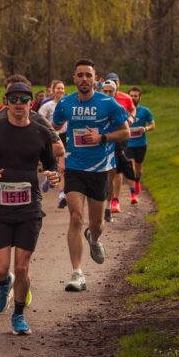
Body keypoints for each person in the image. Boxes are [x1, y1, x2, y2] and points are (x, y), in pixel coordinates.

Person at [0, 81, 59, 335]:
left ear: (31, 104)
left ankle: (18, 315)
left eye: (24, 100)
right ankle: (3, 282)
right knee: (1, 269)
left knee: (22, 267)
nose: (18, 104)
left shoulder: (41, 132)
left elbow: (52, 164)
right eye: (14, 99)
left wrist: (55, 176)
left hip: (30, 207)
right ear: (6, 102)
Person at [52, 60, 129, 292]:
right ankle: (77, 273)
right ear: (74, 79)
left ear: (95, 79)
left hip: (100, 169)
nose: (84, 79)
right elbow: (54, 128)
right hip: (74, 168)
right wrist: (55, 151)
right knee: (75, 217)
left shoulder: (108, 103)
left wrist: (103, 138)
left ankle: (93, 239)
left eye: (88, 75)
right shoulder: (65, 103)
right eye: (80, 75)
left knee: (96, 223)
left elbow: (124, 131)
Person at [101, 74, 135, 220]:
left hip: (114, 144)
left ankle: (108, 207)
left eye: (111, 92)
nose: (108, 94)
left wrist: (129, 119)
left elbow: (125, 131)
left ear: (115, 93)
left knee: (111, 176)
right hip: (98, 144)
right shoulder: (96, 106)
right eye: (105, 91)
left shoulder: (120, 107)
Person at [38, 80, 68, 209]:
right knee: (53, 163)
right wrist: (50, 129)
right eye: (58, 88)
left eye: (62, 88)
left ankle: (61, 195)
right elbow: (38, 120)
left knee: (62, 167)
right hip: (51, 137)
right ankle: (49, 177)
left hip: (65, 137)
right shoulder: (47, 105)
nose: (60, 91)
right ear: (53, 90)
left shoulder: (68, 104)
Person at [126, 87, 154, 205]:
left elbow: (153, 124)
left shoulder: (145, 111)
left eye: (135, 96)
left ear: (139, 98)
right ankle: (133, 194)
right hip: (127, 144)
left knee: (138, 169)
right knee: (130, 167)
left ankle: (137, 180)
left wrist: (145, 128)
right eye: (131, 95)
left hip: (141, 144)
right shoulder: (124, 111)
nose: (133, 98)